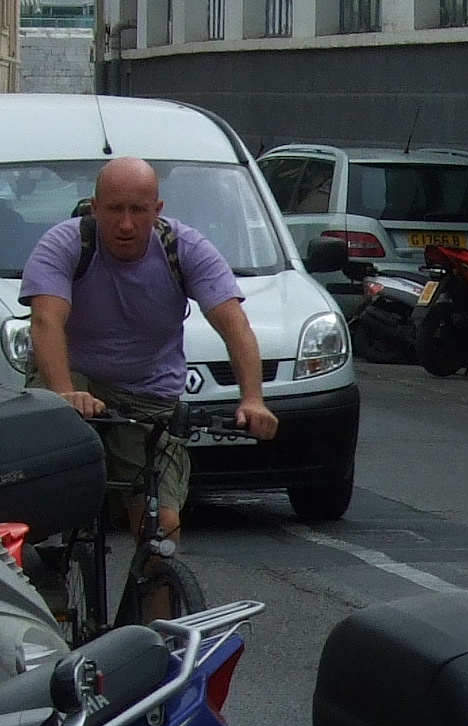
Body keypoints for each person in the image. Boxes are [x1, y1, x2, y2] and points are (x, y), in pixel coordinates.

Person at [20, 155, 278, 545]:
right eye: (115, 210)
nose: (126, 224)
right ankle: (53, 562)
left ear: (157, 211)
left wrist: (253, 399)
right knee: (48, 488)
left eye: (138, 211)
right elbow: (46, 321)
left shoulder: (186, 249)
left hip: (148, 396)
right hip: (74, 379)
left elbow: (235, 326)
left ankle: (157, 600)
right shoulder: (65, 244)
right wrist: (62, 392)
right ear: (95, 208)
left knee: (161, 533)